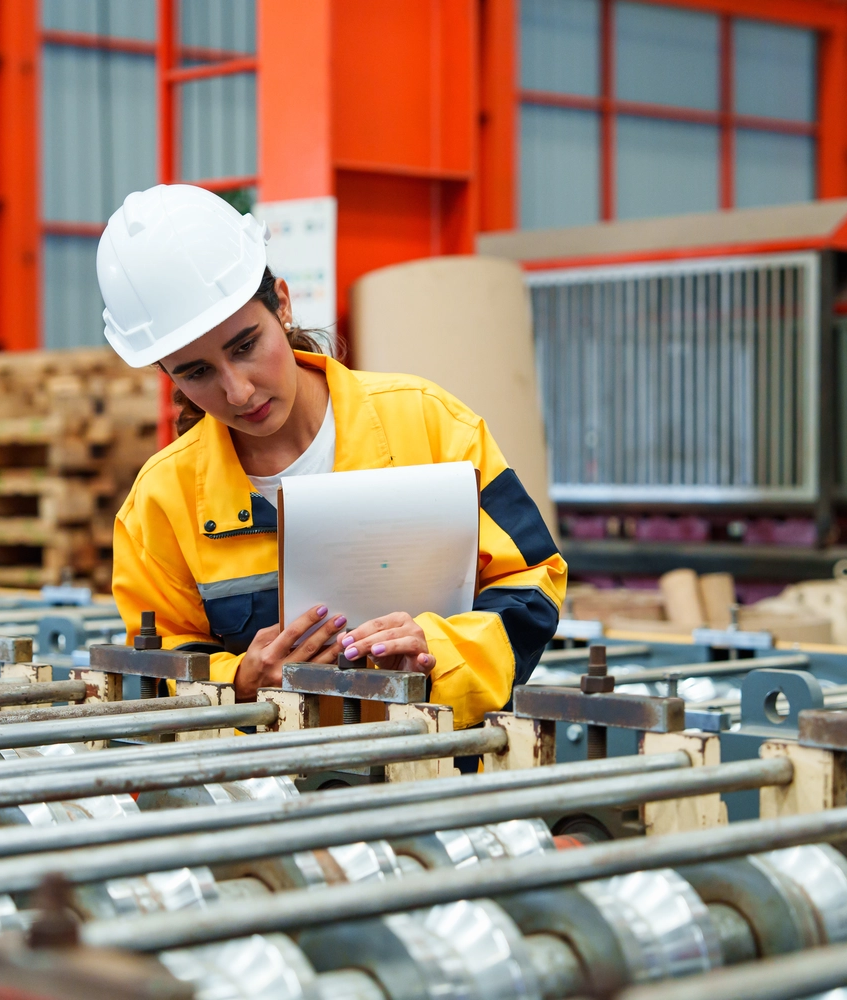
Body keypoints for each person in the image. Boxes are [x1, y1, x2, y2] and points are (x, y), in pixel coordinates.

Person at [98, 183, 566, 731]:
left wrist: (437, 653)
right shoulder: (160, 505)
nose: (239, 392)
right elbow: (157, 674)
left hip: (439, 772)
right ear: (168, 374)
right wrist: (244, 684)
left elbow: (532, 581)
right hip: (270, 795)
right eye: (196, 372)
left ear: (285, 305)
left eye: (245, 346)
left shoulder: (427, 423)